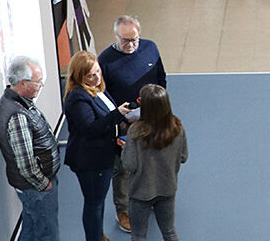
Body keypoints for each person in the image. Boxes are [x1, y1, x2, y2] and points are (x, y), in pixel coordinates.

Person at [97, 15, 167, 233]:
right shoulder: (105, 60)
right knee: (123, 169)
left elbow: (161, 79)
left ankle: (152, 196)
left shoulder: (150, 48)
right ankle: (123, 210)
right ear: (115, 36)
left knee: (152, 159)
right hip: (123, 124)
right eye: (125, 40)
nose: (131, 45)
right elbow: (102, 95)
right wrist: (120, 118)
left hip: (151, 117)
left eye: (134, 39)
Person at [63, 51, 132, 241]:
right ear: (79, 76)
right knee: (94, 203)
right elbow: (90, 129)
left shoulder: (98, 89)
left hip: (103, 154)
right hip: (91, 161)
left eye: (98, 71)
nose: (97, 77)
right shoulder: (78, 97)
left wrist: (122, 121)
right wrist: (117, 115)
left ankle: (97, 235)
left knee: (98, 202)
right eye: (91, 75)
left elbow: (106, 117)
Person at [0, 56, 60, 241]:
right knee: (47, 233)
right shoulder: (17, 115)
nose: (42, 85)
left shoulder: (14, 103)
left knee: (31, 227)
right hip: (37, 188)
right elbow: (26, 164)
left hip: (30, 187)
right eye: (38, 81)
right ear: (23, 83)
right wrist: (44, 185)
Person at [123, 84, 188, 241]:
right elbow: (183, 157)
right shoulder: (177, 128)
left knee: (138, 235)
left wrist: (126, 148)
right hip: (167, 189)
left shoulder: (135, 132)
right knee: (169, 231)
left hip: (140, 193)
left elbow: (129, 164)